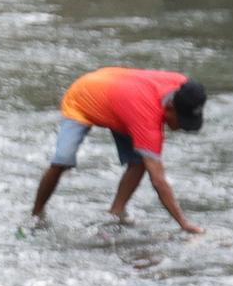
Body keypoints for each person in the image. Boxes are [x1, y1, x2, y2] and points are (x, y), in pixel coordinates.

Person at [31, 68, 208, 236]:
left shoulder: (185, 88)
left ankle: (116, 212)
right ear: (169, 107)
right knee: (63, 160)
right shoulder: (147, 119)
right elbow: (158, 181)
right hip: (82, 97)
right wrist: (184, 223)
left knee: (139, 161)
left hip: (121, 100)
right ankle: (36, 214)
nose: (180, 128)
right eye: (181, 121)